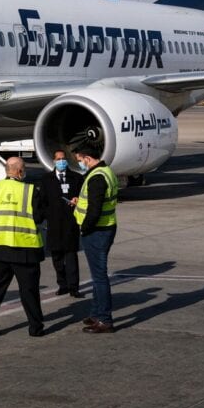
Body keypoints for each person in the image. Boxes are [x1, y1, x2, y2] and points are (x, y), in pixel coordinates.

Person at [0, 156, 46, 338]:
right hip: (25, 249)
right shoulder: (30, 191)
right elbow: (39, 217)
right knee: (29, 292)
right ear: (19, 171)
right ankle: (35, 327)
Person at [73, 142, 119, 333]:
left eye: (80, 160)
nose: (79, 163)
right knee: (96, 275)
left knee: (99, 276)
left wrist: (84, 228)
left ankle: (105, 319)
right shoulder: (106, 171)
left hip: (97, 231)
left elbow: (94, 210)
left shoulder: (97, 178)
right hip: (105, 227)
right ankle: (96, 312)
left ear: (87, 158)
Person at [37, 148, 83, 297]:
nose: (62, 162)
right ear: (54, 161)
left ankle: (74, 287)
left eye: (64, 159)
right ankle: (62, 284)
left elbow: (84, 197)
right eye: (59, 159)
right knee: (57, 256)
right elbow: (42, 201)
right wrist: (46, 216)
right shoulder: (46, 179)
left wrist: (78, 201)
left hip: (71, 223)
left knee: (71, 256)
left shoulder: (76, 178)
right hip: (54, 224)